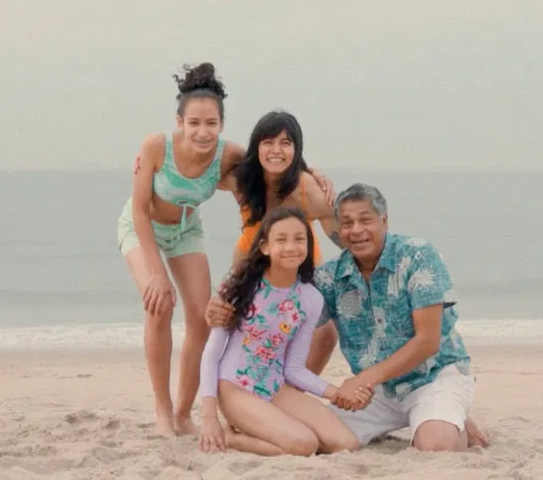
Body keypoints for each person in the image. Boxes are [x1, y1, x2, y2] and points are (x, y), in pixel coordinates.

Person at [118, 63, 334, 438]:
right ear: (179, 122)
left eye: (211, 123)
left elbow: (272, 159)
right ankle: (163, 409)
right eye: (194, 123)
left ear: (221, 124)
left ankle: (184, 413)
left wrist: (311, 171)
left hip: (186, 231)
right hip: (142, 229)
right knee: (159, 303)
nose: (203, 132)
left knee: (203, 318)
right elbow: (139, 210)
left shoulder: (227, 154)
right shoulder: (155, 147)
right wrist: (156, 274)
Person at [205, 183, 489, 452]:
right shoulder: (328, 279)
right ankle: (442, 417)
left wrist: (363, 379)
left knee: (435, 446)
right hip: (377, 392)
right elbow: (278, 315)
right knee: (327, 442)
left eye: (365, 220)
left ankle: (448, 416)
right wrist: (217, 310)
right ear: (338, 230)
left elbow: (428, 341)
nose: (356, 230)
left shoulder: (417, 256)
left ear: (384, 221)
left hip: (433, 377)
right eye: (347, 223)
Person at [198, 206, 367, 456]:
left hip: (275, 386)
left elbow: (294, 369)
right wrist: (209, 416)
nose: (291, 247)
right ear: (265, 247)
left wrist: (336, 393)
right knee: (305, 444)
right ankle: (232, 437)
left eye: (299, 239)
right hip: (234, 387)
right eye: (281, 239)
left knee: (345, 443)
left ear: (308, 245)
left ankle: (266, 430)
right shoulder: (240, 288)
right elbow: (211, 355)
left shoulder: (310, 299)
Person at [219, 109, 341, 376]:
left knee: (325, 333)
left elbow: (345, 235)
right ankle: (244, 383)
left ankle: (294, 386)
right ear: (257, 147)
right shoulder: (243, 180)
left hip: (299, 267)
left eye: (286, 143)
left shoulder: (307, 188)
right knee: (238, 328)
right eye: (268, 142)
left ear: (296, 150)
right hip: (249, 264)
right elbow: (200, 169)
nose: (276, 150)